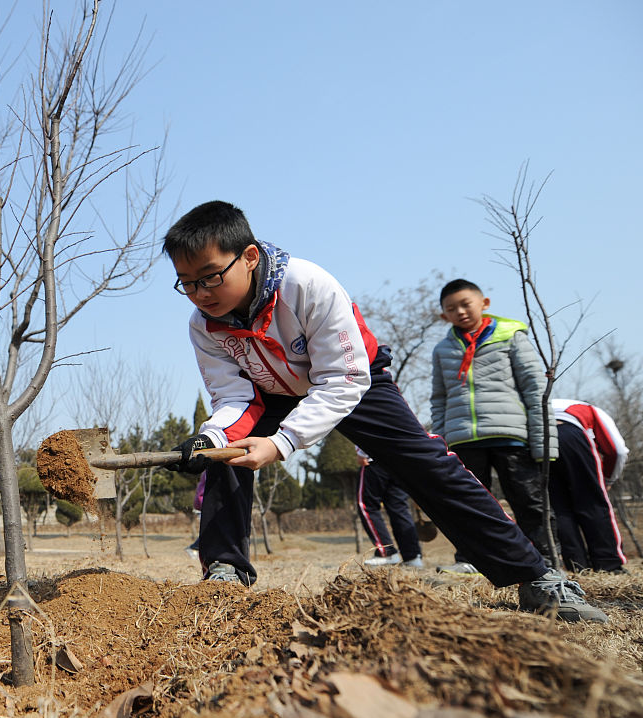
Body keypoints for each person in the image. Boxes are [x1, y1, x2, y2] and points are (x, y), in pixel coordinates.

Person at [163, 200, 605, 622]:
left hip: (352, 377)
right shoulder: (203, 325)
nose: (200, 294)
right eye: (186, 283)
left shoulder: (307, 285)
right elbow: (234, 398)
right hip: (272, 392)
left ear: (250, 257)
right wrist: (212, 439)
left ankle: (535, 575)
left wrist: (282, 443)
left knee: (424, 462)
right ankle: (225, 571)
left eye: (211, 276)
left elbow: (341, 380)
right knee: (224, 454)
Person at [429, 279, 557, 576]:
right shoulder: (442, 349)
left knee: (530, 501)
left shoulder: (511, 336)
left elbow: (534, 389)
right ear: (443, 316)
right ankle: (471, 558)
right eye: (451, 308)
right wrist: (441, 442)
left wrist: (544, 443)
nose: (460, 311)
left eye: (465, 304)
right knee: (468, 503)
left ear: (484, 303)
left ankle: (546, 560)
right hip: (463, 439)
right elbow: (439, 399)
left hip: (510, 436)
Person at [550, 398, 630, 573]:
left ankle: (577, 566)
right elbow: (616, 450)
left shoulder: (546, 403)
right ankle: (609, 564)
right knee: (592, 503)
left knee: (558, 508)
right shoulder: (591, 409)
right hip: (570, 434)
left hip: (538, 438)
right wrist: (608, 480)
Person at [355, 447, 423, 568]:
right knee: (399, 508)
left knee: (366, 506)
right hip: (399, 460)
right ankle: (412, 556)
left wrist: (363, 452)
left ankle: (386, 552)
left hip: (374, 459)